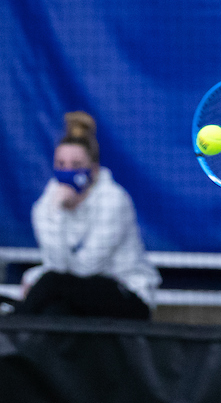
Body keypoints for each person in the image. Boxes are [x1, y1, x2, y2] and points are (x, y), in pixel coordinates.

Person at [16, 112, 160, 319]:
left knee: (51, 284)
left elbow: (86, 270)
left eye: (76, 165)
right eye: (61, 164)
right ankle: (16, 345)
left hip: (128, 296)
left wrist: (39, 277)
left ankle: (11, 325)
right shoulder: (46, 205)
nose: (68, 172)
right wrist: (57, 213)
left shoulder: (114, 200)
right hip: (75, 295)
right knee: (56, 312)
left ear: (93, 170)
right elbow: (57, 267)